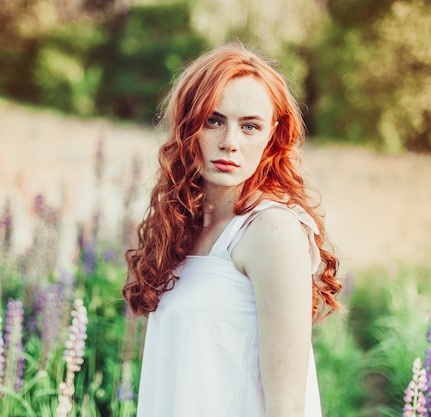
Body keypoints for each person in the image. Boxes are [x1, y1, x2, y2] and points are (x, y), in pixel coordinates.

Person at [123, 42, 342, 417]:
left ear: (272, 135)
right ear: (188, 124)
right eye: (214, 120)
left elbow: (287, 407)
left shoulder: (271, 231)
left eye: (250, 126)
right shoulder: (184, 229)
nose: (230, 143)